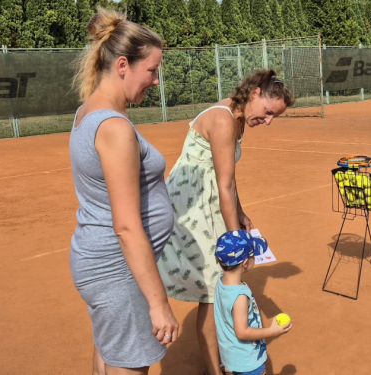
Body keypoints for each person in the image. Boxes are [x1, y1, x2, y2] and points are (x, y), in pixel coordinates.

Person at [156, 69, 294, 374]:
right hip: (191, 212)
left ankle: (218, 362)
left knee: (217, 287)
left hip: (208, 205)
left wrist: (240, 213)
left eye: (275, 117)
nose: (268, 121)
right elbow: (224, 185)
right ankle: (215, 370)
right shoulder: (223, 119)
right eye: (269, 112)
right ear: (255, 92)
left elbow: (227, 179)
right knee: (212, 290)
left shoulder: (238, 117)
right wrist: (239, 243)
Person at [68, 8, 179, 375]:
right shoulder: (113, 127)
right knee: (127, 364)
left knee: (109, 353)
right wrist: (158, 302)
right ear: (121, 66)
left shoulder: (88, 111)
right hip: (118, 271)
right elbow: (127, 225)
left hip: (102, 264)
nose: (156, 81)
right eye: (151, 70)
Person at [213, 230, 292, 375]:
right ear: (245, 263)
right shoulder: (240, 297)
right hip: (248, 362)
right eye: (253, 255)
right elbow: (242, 332)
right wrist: (272, 331)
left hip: (231, 357)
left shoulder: (221, 282)